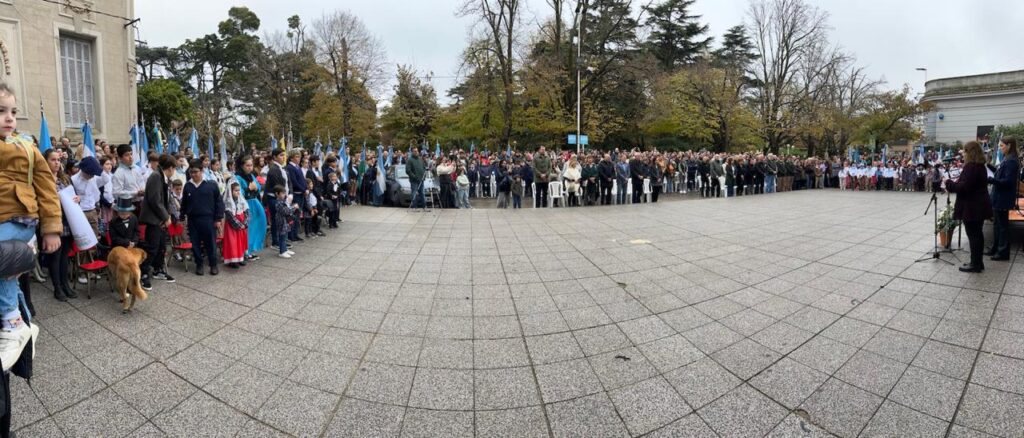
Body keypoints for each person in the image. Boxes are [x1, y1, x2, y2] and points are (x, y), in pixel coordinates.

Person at [0, 83, 57, 370]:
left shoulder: (27, 147)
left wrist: (51, 229)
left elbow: (47, 189)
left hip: (17, 220)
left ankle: (13, 323)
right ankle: (21, 321)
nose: (9, 118)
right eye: (1, 111)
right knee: (7, 276)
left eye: (13, 111)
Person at [943, 141, 992, 273]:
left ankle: (975, 264)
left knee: (973, 235)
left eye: (964, 151)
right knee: (977, 234)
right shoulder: (980, 166)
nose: (963, 154)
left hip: (972, 207)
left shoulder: (971, 167)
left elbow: (964, 188)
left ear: (970, 152)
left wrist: (948, 182)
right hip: (979, 205)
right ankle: (978, 262)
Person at [41, 149, 77, 301]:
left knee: (64, 257)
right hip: (54, 222)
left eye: (58, 160)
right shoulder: (43, 180)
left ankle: (65, 285)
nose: (57, 162)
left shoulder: (65, 179)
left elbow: (73, 195)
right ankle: (57, 288)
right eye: (53, 160)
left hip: (68, 221)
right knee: (55, 257)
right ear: (45, 162)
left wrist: (76, 199)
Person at [180, 161, 224, 276]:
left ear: (202, 171)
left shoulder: (211, 185)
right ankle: (199, 264)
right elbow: (184, 203)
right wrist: (181, 216)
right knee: (195, 244)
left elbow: (219, 202)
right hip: (193, 220)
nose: (193, 174)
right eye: (191, 172)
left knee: (211, 243)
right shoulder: (188, 186)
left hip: (208, 219)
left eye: (195, 172)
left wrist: (218, 219)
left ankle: (213, 264)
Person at [139, 154, 177, 289]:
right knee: (152, 247)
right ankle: (143, 273)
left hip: (160, 218)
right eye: (174, 168)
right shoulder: (155, 176)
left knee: (161, 246)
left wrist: (168, 215)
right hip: (153, 219)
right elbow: (155, 200)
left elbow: (165, 199)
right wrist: (166, 217)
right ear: (171, 167)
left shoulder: (164, 177)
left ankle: (157, 269)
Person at [987, 136, 1019, 261]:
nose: (1000, 148)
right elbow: (999, 173)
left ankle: (1003, 252)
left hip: (1003, 197)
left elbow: (1008, 181)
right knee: (997, 224)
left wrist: (991, 180)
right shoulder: (1007, 159)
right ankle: (996, 248)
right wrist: (988, 166)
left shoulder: (1012, 161)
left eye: (1001, 146)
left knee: (1003, 226)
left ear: (1009, 145)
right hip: (999, 197)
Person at [235, 156, 265, 260]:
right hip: (246, 205)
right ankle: (245, 251)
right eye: (247, 165)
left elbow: (258, 187)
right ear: (242, 165)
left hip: (255, 203)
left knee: (257, 226)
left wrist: (256, 188)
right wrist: (249, 188)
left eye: (251, 165)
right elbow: (239, 192)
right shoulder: (238, 177)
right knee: (248, 228)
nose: (249, 167)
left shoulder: (251, 176)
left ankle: (251, 249)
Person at [263, 148, 288, 250]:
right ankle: (276, 242)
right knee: (276, 220)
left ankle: (282, 242)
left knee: (281, 220)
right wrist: (283, 195)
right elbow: (278, 185)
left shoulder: (281, 168)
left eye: (283, 155)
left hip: (281, 196)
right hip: (274, 197)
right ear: (274, 157)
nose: (283, 157)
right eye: (281, 155)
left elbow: (287, 182)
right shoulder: (273, 169)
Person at [222, 181, 249, 269]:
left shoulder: (241, 200)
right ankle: (233, 260)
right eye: (235, 190)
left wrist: (245, 223)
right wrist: (239, 225)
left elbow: (247, 212)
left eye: (239, 190)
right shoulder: (228, 202)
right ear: (231, 191)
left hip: (241, 224)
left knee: (240, 242)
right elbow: (230, 216)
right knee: (233, 243)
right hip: (232, 227)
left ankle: (240, 258)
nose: (238, 192)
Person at [272, 186, 295, 259]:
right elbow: (285, 211)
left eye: (284, 193)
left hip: (285, 221)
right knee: (282, 236)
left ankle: (285, 249)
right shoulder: (278, 203)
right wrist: (293, 207)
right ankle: (282, 252)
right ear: (277, 194)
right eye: (282, 193)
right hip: (281, 221)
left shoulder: (283, 201)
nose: (284, 195)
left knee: (285, 235)